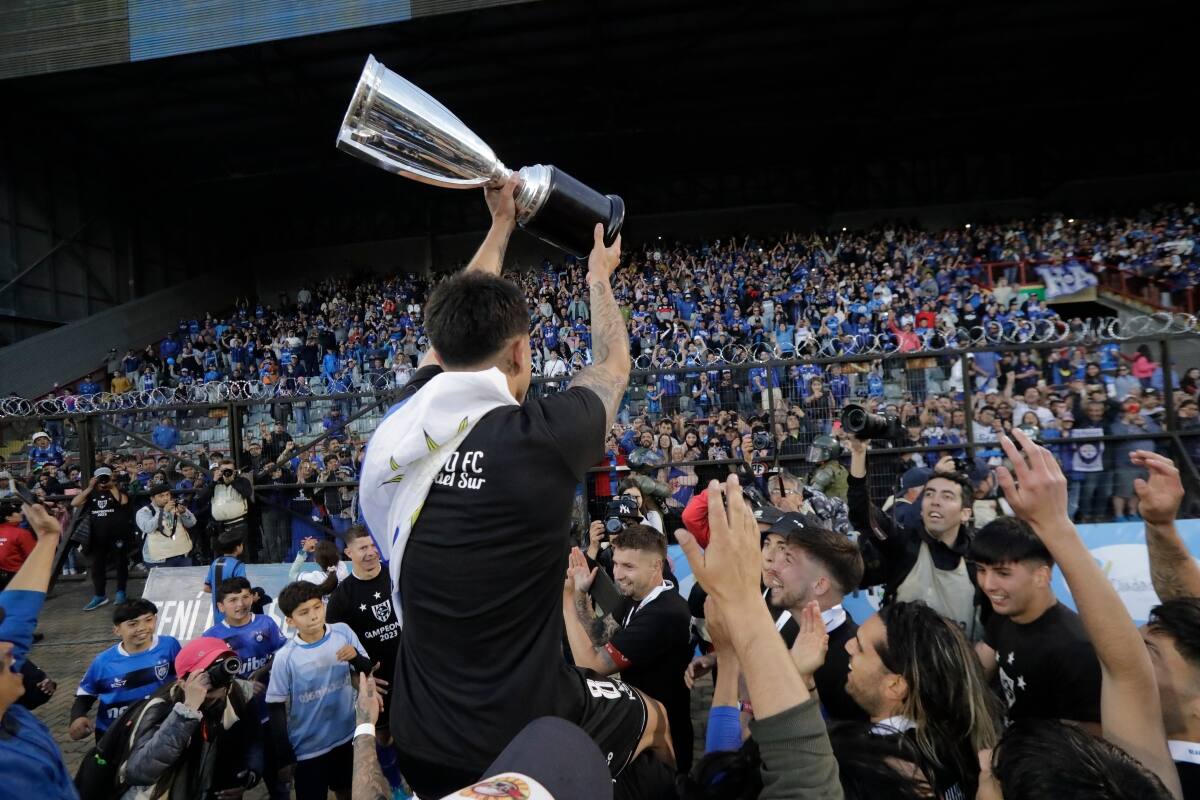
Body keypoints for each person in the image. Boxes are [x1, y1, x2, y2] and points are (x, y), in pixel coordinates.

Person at [359, 188, 668, 795]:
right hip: (524, 740)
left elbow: (451, 331)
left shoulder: (407, 425)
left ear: (440, 355)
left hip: (422, 741)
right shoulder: (546, 437)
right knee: (654, 720)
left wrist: (500, 225)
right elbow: (612, 364)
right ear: (522, 351)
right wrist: (598, 278)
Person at [979, 429, 1183, 799]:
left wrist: (1055, 525)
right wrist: (1161, 526)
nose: (990, 584)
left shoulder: (1076, 648)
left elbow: (1126, 673)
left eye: (1152, 654)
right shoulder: (1003, 620)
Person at [563, 526, 693, 773]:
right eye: (616, 563)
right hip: (643, 725)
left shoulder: (664, 614)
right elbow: (599, 633)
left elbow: (592, 667)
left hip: (664, 742)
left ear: (656, 566)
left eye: (628, 567)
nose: (618, 574)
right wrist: (580, 592)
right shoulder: (635, 597)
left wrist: (567, 603)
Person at [844, 600, 1001, 798]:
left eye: (860, 647)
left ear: (895, 686)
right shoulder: (956, 740)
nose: (848, 646)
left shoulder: (880, 772)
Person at [846, 436, 983, 640]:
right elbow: (862, 515)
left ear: (965, 513)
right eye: (929, 494)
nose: (935, 501)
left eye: (947, 496)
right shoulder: (904, 544)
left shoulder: (980, 556)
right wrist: (858, 455)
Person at [970, 516, 1101, 727]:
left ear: (1041, 576)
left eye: (1002, 573)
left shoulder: (1076, 647)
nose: (988, 584)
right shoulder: (1003, 615)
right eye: (981, 570)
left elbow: (1083, 742)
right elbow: (975, 675)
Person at [118, 636, 265, 799]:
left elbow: (254, 739)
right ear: (183, 683)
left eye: (222, 665)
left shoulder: (239, 694)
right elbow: (139, 773)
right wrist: (186, 712)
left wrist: (249, 776)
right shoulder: (161, 707)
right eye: (207, 671)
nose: (219, 676)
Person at [266, 581, 371, 800]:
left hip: (346, 736)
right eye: (304, 612)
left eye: (317, 606)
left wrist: (356, 657)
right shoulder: (286, 657)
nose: (314, 615)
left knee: (348, 791)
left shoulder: (342, 632)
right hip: (308, 748)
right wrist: (284, 755)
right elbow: (275, 706)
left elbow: (366, 669)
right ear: (290, 620)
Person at [0, 502, 78, 798]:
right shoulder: (10, 776)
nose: (11, 648)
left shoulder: (8, 713)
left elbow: (14, 616)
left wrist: (47, 538)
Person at [764, 515, 867, 721]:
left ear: (820, 585)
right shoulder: (786, 625)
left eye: (789, 561)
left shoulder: (853, 663)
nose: (774, 567)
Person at [324, 525, 404, 792]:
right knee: (384, 736)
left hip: (413, 674)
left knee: (418, 731)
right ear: (348, 552)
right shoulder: (341, 597)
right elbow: (334, 647)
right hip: (378, 682)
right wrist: (357, 679)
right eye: (363, 548)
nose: (371, 553)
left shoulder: (398, 576)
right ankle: (395, 784)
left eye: (373, 546)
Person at [201, 577, 291, 800]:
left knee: (279, 780)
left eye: (244, 597)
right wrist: (242, 686)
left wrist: (263, 671)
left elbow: (282, 654)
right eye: (232, 600)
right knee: (235, 782)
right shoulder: (211, 637)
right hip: (234, 721)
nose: (240, 604)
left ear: (253, 597)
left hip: (269, 713)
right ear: (220, 606)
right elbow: (206, 681)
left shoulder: (266, 624)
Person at [68, 599, 182, 742]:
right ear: (116, 629)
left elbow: (184, 679)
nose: (142, 628)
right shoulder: (103, 661)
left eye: (148, 620)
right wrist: (77, 717)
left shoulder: (170, 646)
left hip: (158, 730)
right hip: (114, 734)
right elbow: (86, 695)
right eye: (133, 624)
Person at [72, 465, 133, 611]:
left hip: (118, 535)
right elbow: (75, 502)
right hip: (97, 537)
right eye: (101, 478)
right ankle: (99, 595)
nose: (103, 481)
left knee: (120, 563)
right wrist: (89, 487)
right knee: (97, 566)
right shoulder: (91, 493)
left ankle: (121, 592)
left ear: (111, 476)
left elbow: (123, 501)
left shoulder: (118, 490)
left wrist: (112, 486)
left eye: (106, 477)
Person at [135, 482, 196, 568]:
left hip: (182, 555)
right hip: (159, 560)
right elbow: (148, 528)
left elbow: (191, 523)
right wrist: (164, 512)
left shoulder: (175, 506)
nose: (166, 498)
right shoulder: (144, 511)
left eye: (167, 494)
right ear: (152, 498)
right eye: (161, 496)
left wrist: (184, 513)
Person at [194, 458, 253, 534]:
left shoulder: (242, 481)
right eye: (224, 470)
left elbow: (247, 493)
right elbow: (201, 499)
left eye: (230, 470)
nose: (227, 472)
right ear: (219, 471)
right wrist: (214, 481)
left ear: (234, 471)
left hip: (239, 524)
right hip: (219, 526)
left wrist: (233, 481)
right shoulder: (214, 483)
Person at [202, 529, 248, 624]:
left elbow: (206, 588)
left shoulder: (215, 563)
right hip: (234, 615)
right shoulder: (238, 565)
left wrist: (220, 592)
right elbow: (243, 590)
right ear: (238, 547)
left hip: (218, 616)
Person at [0, 498, 36, 590]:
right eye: (16, 512)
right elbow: (34, 555)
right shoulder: (21, 533)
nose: (21, 513)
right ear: (8, 517)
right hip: (17, 575)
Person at [805, 435, 848, 502]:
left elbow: (811, 494)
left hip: (832, 510)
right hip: (841, 508)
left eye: (817, 452)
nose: (814, 454)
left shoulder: (827, 471)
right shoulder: (839, 467)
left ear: (826, 453)